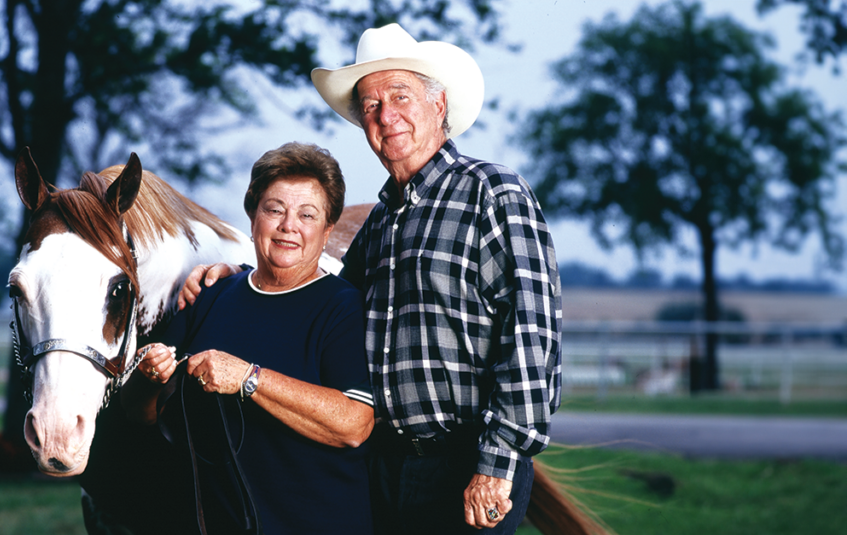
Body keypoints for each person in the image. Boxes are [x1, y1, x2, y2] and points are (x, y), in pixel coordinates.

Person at [179, 23, 563, 535]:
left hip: (464, 458)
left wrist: (498, 463)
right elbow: (318, 286)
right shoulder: (383, 221)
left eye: (399, 96)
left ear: (439, 106)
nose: (386, 115)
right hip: (383, 462)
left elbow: (533, 338)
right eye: (371, 106)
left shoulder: (492, 195)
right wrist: (241, 275)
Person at [124, 142, 375, 535]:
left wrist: (248, 378)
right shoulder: (210, 293)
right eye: (274, 209)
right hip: (217, 523)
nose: (288, 226)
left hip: (318, 523)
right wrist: (148, 374)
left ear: (326, 230)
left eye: (307, 215)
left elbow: (354, 424)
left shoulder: (342, 307)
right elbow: (143, 412)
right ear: (253, 215)